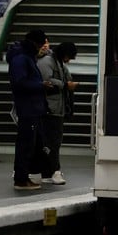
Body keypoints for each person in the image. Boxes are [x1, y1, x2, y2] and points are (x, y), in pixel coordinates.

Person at [5, 29, 47, 191]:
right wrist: (41, 85)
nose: (42, 48)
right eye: (41, 44)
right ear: (36, 43)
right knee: (25, 144)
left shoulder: (25, 56)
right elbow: (19, 83)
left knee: (29, 143)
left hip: (31, 107)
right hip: (28, 107)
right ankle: (21, 179)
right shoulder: (22, 58)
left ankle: (24, 176)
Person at [36, 41, 78, 185]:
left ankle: (47, 172)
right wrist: (64, 85)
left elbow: (67, 77)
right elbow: (46, 81)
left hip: (57, 108)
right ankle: (54, 171)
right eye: (69, 57)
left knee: (53, 141)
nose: (69, 60)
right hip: (50, 108)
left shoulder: (58, 63)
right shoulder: (47, 62)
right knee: (53, 142)